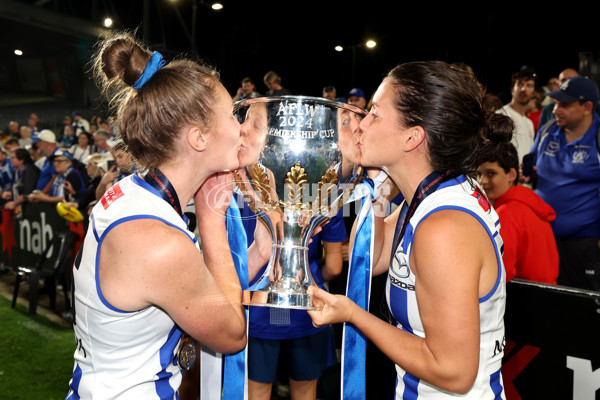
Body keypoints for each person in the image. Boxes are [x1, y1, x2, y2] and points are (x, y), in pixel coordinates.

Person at [64, 31, 255, 399]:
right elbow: (232, 335)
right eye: (233, 115)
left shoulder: (133, 191)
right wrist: (212, 218)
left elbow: (194, 285)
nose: (242, 128)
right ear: (199, 139)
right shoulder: (157, 242)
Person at [308, 61, 508, 398]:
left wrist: (354, 315)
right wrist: (376, 181)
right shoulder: (433, 191)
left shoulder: (443, 228)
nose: (361, 124)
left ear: (412, 137)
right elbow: (372, 258)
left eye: (373, 113)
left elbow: (454, 372)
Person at [528, 76, 600, 291]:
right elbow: (532, 167)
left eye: (565, 105)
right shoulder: (548, 130)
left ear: (586, 107)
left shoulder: (597, 138)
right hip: (543, 240)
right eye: (556, 103)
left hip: (584, 245)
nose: (556, 109)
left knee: (584, 313)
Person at [477, 141, 558, 284]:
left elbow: (501, 274)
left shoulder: (507, 213)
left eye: (491, 173)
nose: (482, 181)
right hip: (546, 297)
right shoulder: (529, 204)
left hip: (525, 300)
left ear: (511, 175)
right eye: (478, 174)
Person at [497, 68, 537, 164]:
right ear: (512, 90)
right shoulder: (501, 115)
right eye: (520, 84)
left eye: (529, 85)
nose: (524, 89)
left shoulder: (529, 123)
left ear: (534, 93)